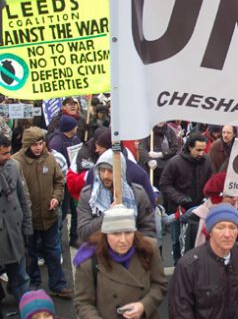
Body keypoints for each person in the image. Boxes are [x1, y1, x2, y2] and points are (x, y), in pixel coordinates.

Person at [74, 205, 169, 319]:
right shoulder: (89, 260)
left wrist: (144, 305)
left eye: (128, 232)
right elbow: (82, 303)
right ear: (105, 234)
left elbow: (160, 284)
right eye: (116, 234)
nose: (123, 240)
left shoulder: (148, 249)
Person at [12, 127, 72, 298]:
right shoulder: (16, 162)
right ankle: (34, 285)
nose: (38, 147)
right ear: (26, 144)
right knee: (30, 254)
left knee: (53, 251)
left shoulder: (50, 159)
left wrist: (56, 197)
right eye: (34, 144)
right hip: (28, 218)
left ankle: (58, 285)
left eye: (41, 143)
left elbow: (59, 181)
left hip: (49, 215)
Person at [77, 149, 156, 242]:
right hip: (99, 252)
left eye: (110, 171)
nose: (105, 175)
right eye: (102, 170)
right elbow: (84, 233)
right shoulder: (88, 196)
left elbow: (148, 229)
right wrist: (107, 216)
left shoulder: (138, 194)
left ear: (121, 172)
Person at [0, 135, 32, 306]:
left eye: (9, 152)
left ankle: (27, 314)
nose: (8, 157)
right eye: (4, 154)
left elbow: (23, 198)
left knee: (21, 277)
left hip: (14, 232)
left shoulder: (14, 166)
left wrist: (27, 227)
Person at [48, 115, 81, 248]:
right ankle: (57, 242)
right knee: (62, 213)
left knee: (76, 211)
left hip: (74, 179)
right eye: (75, 125)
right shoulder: (56, 142)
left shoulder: (75, 139)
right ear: (69, 128)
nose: (77, 127)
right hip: (63, 183)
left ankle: (74, 237)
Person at [160, 132, 213, 213]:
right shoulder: (175, 162)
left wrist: (207, 197)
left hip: (201, 209)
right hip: (178, 209)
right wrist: (179, 198)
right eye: (198, 150)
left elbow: (211, 182)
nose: (201, 153)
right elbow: (165, 185)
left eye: (203, 150)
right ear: (190, 147)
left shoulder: (208, 161)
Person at [138, 121, 181, 188]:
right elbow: (142, 148)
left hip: (164, 169)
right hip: (150, 168)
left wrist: (160, 154)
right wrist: (148, 160)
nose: (161, 121)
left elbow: (175, 149)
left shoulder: (170, 131)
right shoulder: (147, 130)